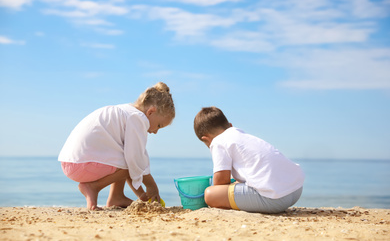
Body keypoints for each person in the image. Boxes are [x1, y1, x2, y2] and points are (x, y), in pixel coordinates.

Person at [58, 82, 175, 210]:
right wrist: (152, 186)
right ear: (151, 112)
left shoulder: (126, 111)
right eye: (159, 125)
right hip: (82, 164)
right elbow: (135, 159)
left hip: (71, 162)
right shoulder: (138, 118)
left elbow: (133, 161)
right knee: (130, 158)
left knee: (124, 151)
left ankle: (116, 197)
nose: (156, 132)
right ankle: (93, 187)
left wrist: (142, 195)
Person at [193, 106, 305, 213]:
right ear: (230, 125)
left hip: (275, 199)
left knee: (210, 194)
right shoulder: (242, 136)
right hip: (295, 190)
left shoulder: (217, 141)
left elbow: (220, 183)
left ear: (206, 139)